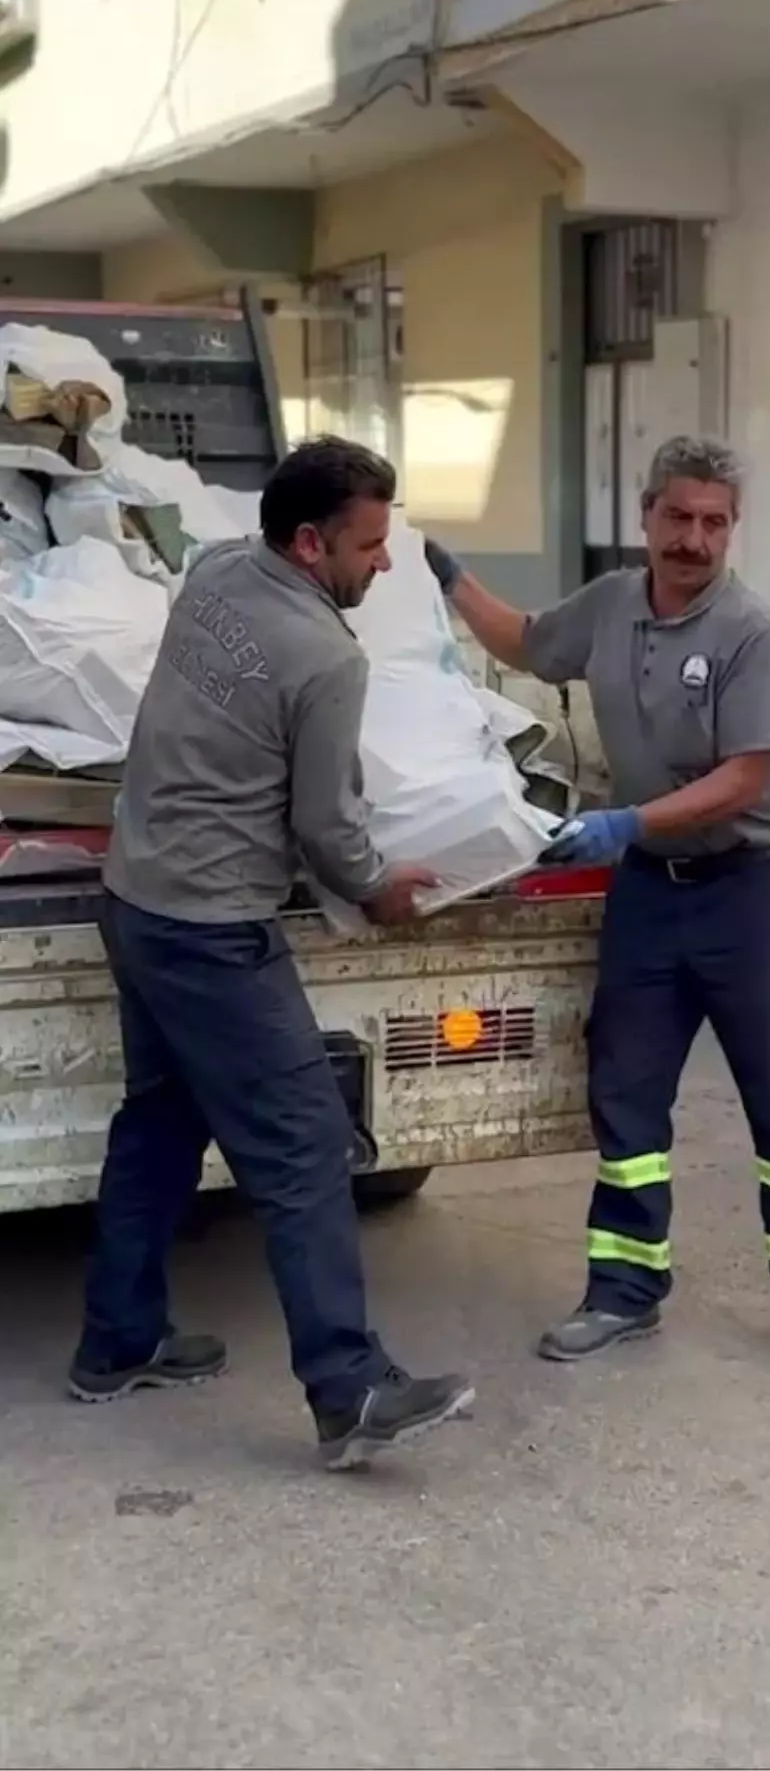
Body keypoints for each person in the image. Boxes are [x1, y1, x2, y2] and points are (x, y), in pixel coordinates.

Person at [423, 434, 770, 1369]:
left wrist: (626, 824)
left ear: (731, 530)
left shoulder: (755, 635)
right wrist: (447, 579)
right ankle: (624, 1291)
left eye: (714, 523)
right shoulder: (611, 605)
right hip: (649, 898)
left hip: (747, 895)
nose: (694, 539)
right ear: (646, 516)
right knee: (627, 1099)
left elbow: (746, 779)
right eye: (678, 517)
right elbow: (525, 641)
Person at [69, 437, 474, 1470]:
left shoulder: (212, 573)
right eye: (369, 544)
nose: (383, 563)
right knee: (301, 1151)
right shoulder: (328, 657)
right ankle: (349, 1389)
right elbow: (330, 831)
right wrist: (383, 891)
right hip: (212, 927)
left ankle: (118, 1343)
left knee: (158, 1123)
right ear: (308, 542)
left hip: (136, 895)